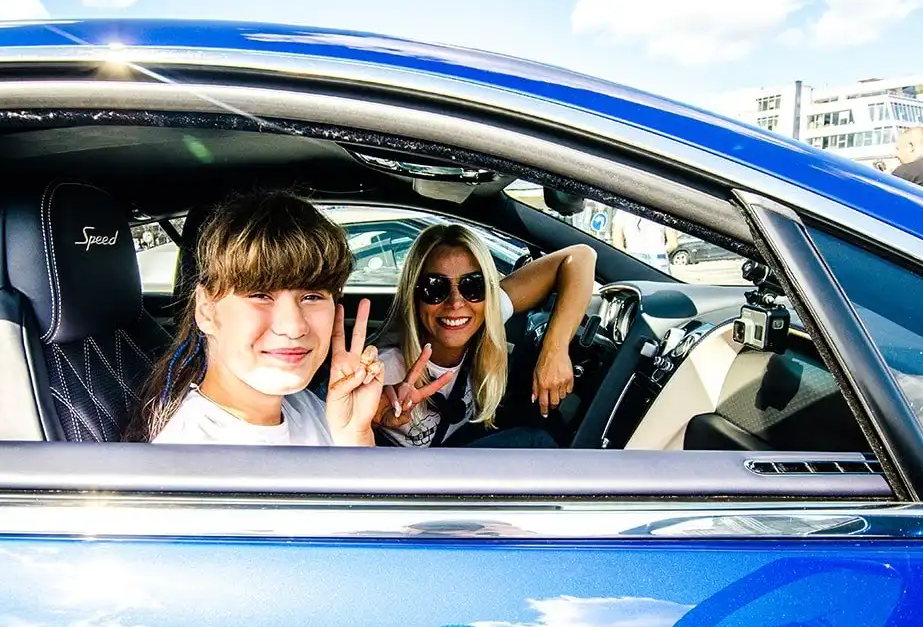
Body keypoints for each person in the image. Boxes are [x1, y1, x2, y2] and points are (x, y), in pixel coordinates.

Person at [127, 191, 393, 446]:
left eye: (312, 296)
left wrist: (355, 436)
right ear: (207, 311)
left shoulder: (306, 405)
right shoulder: (192, 457)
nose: (294, 327)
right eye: (260, 295)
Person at [373, 223, 596, 448]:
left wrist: (554, 352)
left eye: (473, 285)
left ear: (488, 292)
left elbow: (581, 257)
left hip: (456, 444)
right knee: (537, 442)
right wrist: (365, 416)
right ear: (414, 295)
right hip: (417, 469)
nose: (456, 303)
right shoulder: (385, 369)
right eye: (435, 287)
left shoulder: (484, 314)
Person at [610, 210, 677, 272]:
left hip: (633, 256)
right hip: (657, 257)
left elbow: (617, 240)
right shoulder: (663, 209)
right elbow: (673, 243)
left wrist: (626, 255)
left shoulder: (623, 210)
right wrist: (661, 254)